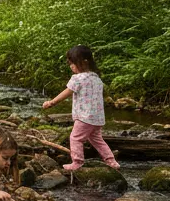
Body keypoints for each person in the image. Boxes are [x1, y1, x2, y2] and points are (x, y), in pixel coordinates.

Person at [42, 45, 119, 173]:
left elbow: (67, 92)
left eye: (73, 63)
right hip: (98, 118)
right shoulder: (96, 78)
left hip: (85, 117)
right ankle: (111, 161)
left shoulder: (78, 79)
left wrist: (52, 102)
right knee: (97, 139)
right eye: (70, 64)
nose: (71, 66)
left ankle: (77, 162)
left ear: (84, 62)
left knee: (75, 138)